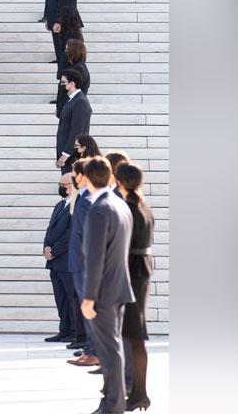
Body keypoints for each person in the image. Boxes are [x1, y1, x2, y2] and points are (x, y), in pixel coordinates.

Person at [79, 156, 135, 414]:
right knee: (114, 347)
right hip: (119, 286)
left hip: (104, 291)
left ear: (88, 178)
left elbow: (95, 257)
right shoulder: (119, 204)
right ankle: (114, 400)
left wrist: (89, 297)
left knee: (109, 349)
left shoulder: (100, 209)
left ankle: (113, 404)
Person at [115, 163, 154, 411]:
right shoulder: (143, 206)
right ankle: (139, 393)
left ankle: (140, 393)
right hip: (140, 271)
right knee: (133, 337)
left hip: (132, 273)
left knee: (133, 337)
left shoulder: (129, 208)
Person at [43, 174, 77, 343]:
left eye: (64, 184)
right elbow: (50, 229)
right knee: (61, 298)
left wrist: (55, 250)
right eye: (60, 184)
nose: (61, 188)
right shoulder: (59, 205)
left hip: (67, 260)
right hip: (54, 262)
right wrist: (46, 247)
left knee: (72, 298)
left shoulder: (76, 205)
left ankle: (74, 331)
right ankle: (64, 330)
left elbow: (71, 234)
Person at [66, 159, 94, 361]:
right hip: (78, 261)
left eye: (75, 174)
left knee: (90, 310)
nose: (73, 178)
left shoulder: (87, 200)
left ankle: (93, 351)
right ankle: (90, 350)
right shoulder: (82, 198)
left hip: (84, 263)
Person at [57, 69, 93, 169]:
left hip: (72, 156)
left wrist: (65, 154)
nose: (61, 85)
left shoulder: (80, 101)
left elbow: (76, 131)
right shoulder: (72, 99)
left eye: (63, 82)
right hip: (68, 154)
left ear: (72, 83)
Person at [56, 38, 92, 116]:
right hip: (71, 108)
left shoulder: (78, 69)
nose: (65, 52)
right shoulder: (77, 67)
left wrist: (61, 109)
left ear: (72, 51)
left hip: (71, 109)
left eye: (67, 50)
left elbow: (68, 91)